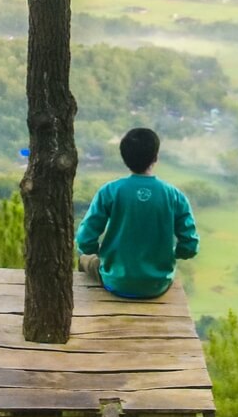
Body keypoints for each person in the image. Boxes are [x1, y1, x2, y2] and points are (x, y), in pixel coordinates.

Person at [76, 127, 199, 298]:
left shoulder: (110, 191)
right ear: (155, 157)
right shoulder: (174, 196)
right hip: (158, 285)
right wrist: (169, 254)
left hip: (115, 281)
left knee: (84, 259)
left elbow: (85, 239)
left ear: (124, 158)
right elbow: (190, 246)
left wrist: (100, 255)